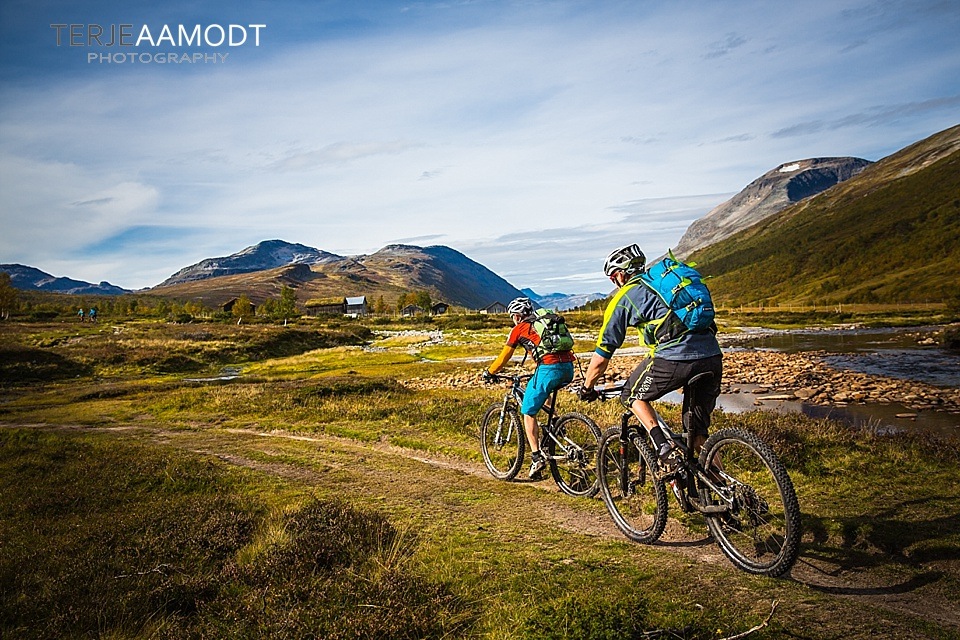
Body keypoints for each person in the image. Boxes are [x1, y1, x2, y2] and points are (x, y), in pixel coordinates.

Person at [578, 243, 722, 478]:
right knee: (697, 434)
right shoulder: (666, 285)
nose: (614, 283)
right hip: (712, 356)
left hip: (674, 357)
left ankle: (663, 449)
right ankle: (729, 492)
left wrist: (587, 387)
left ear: (620, 275)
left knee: (631, 395)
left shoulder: (625, 297)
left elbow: (603, 353)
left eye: (613, 278)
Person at [483, 296, 576, 478]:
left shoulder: (518, 329)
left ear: (517, 316)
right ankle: (556, 423)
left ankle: (536, 457)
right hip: (568, 367)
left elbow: (504, 357)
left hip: (549, 368)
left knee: (528, 411)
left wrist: (490, 372)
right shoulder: (543, 323)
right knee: (542, 389)